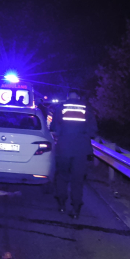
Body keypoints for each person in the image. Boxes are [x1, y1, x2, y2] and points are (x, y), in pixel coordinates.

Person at [50, 90, 98, 219]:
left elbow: (53, 128)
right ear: (78, 97)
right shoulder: (87, 109)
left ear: (67, 97)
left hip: (63, 149)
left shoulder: (60, 108)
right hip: (81, 150)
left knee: (62, 176)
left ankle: (61, 204)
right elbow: (93, 131)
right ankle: (76, 209)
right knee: (78, 180)